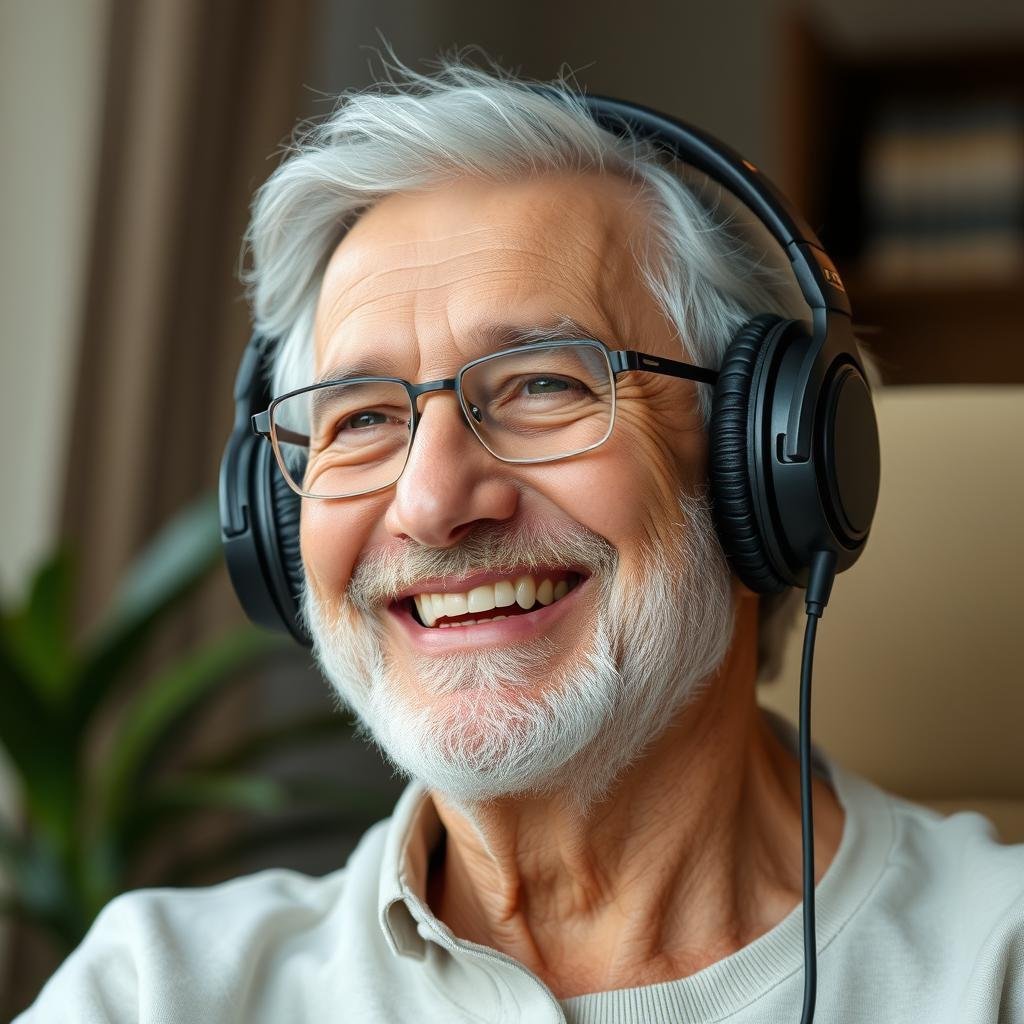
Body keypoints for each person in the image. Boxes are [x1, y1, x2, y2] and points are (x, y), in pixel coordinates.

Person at [19, 57, 1023, 1024]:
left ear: (766, 459)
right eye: (360, 418)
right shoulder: (151, 990)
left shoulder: (1001, 964)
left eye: (545, 382)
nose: (429, 502)